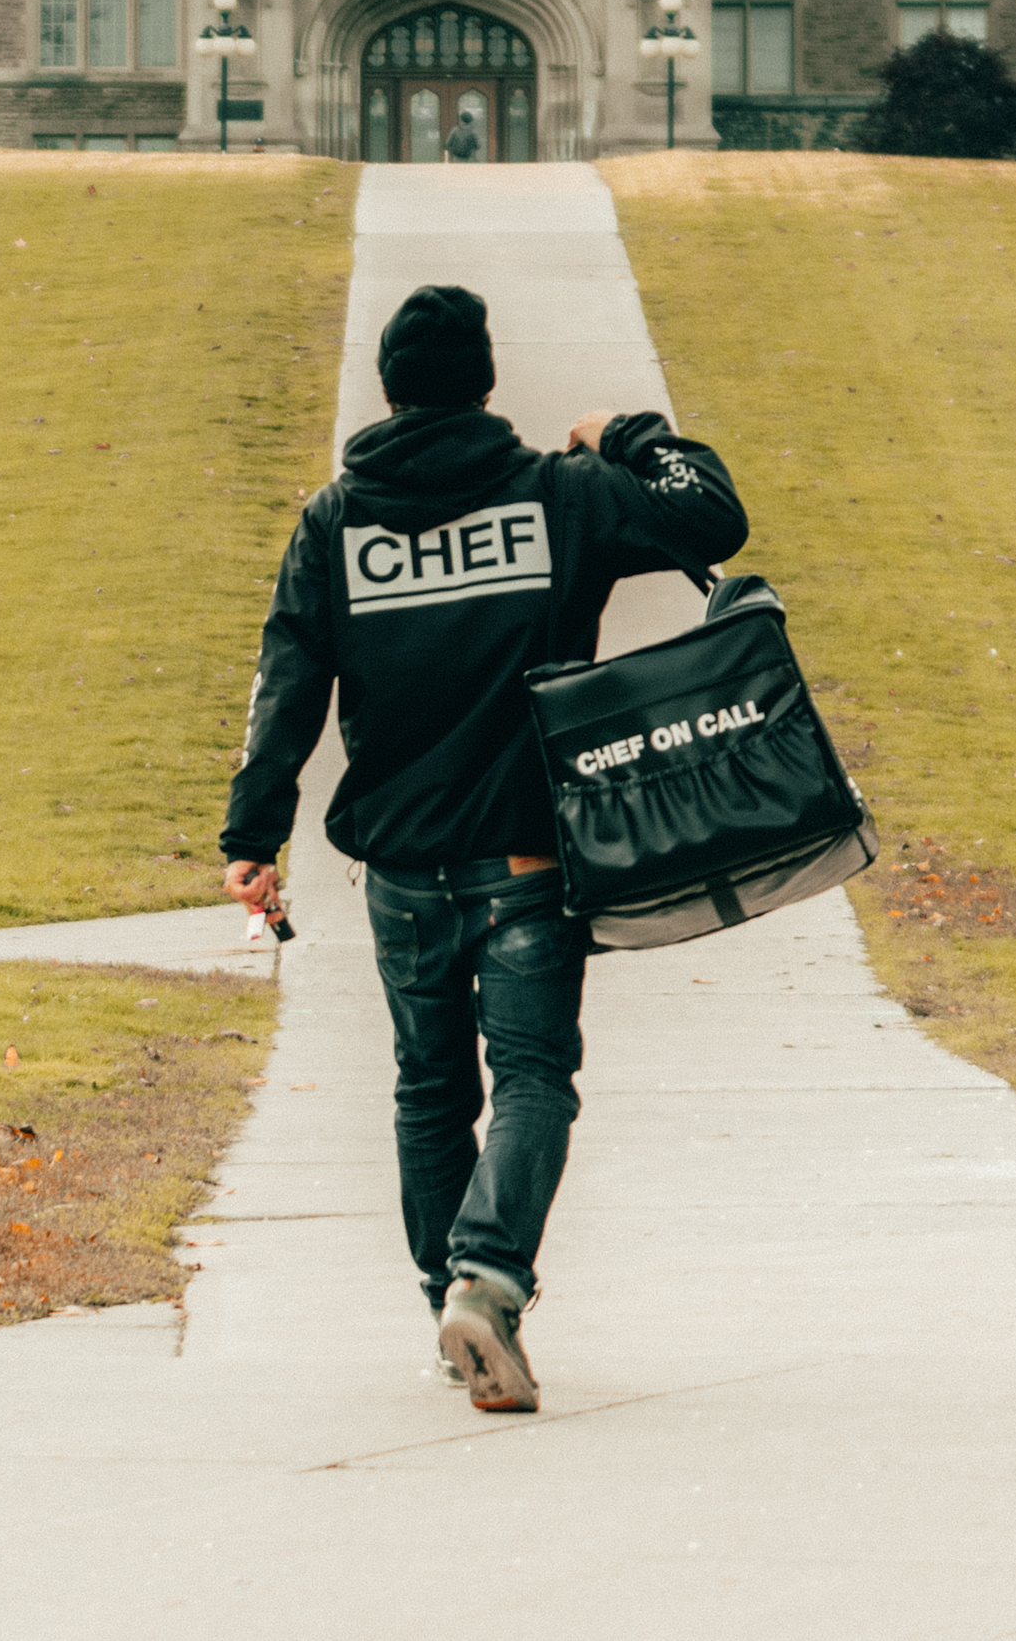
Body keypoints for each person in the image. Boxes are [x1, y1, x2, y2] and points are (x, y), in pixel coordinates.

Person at [220, 279, 745, 1413]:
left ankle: (449, 1303)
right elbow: (710, 513)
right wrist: (628, 434)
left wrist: (254, 834)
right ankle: (490, 1277)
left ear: (392, 389)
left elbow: (289, 678)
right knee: (534, 1078)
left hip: (403, 866)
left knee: (427, 1089)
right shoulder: (559, 495)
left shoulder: (335, 520)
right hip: (526, 852)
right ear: (487, 381)